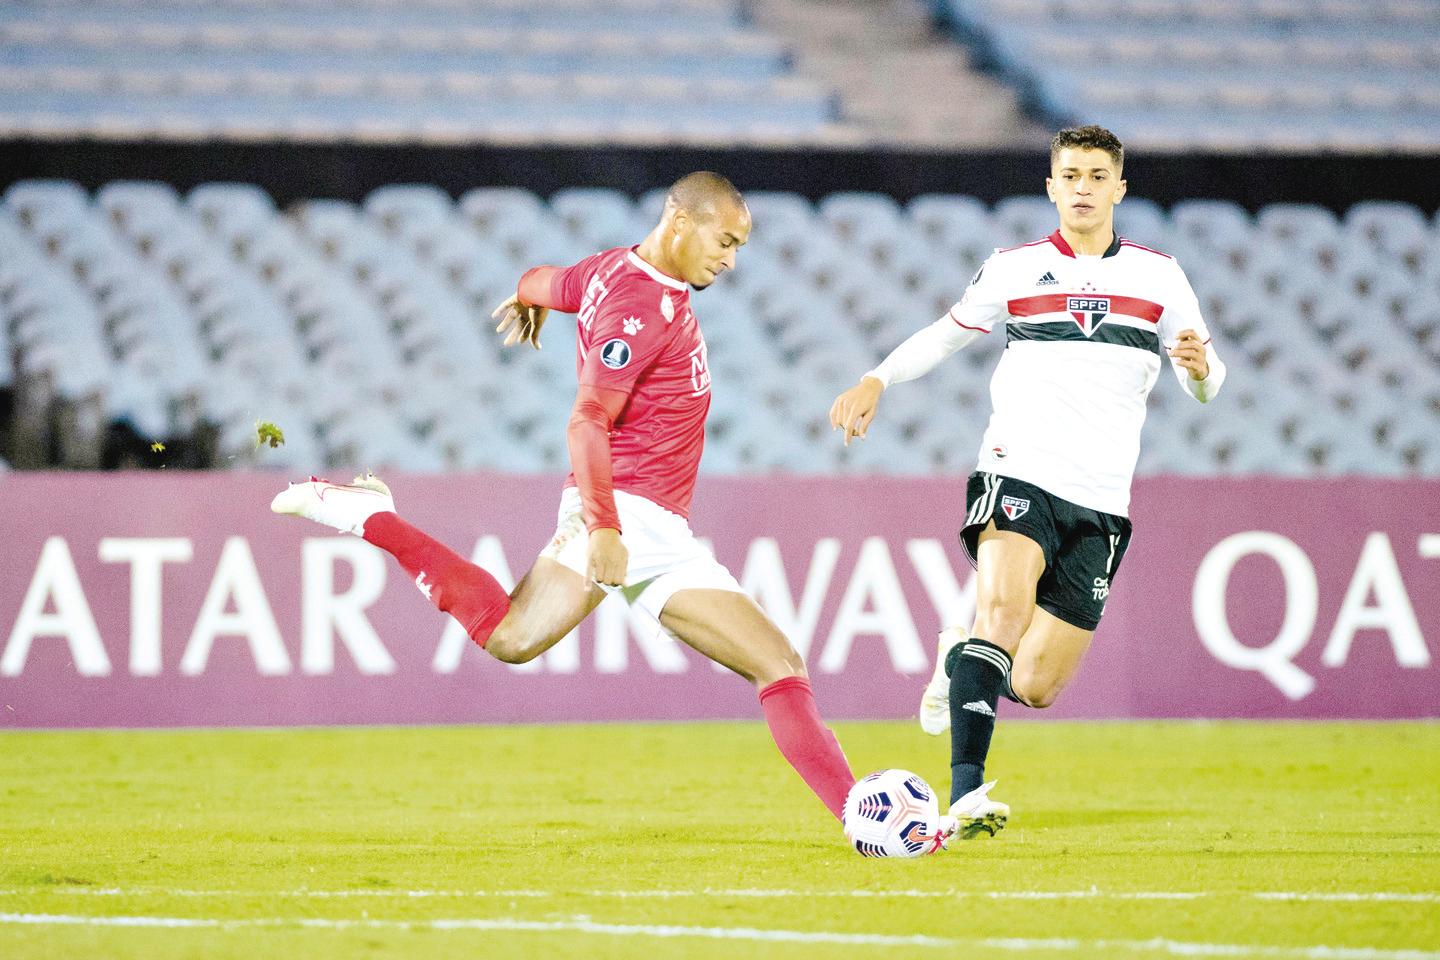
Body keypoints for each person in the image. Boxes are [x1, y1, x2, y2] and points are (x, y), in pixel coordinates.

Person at [272, 172, 874, 837]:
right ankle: (866, 821)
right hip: (630, 516)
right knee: (776, 664)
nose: (730, 260)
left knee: (513, 636)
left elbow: (543, 279)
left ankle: (370, 516)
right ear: (680, 218)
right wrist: (606, 530)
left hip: (651, 522)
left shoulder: (609, 271)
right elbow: (587, 418)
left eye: (738, 247)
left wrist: (527, 296)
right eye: (725, 240)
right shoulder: (639, 308)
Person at [829, 125, 1226, 840]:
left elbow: (1206, 384)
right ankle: (965, 797)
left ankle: (961, 661)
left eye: (1097, 175)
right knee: (1003, 614)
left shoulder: (1159, 276)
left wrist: (1198, 368)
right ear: (1050, 186)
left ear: (1119, 188)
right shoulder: (1013, 268)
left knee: (1037, 684)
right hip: (1020, 468)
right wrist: (877, 377)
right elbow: (945, 333)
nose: (1082, 187)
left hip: (1103, 499)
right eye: (1069, 174)